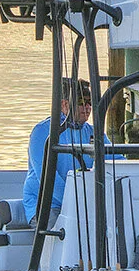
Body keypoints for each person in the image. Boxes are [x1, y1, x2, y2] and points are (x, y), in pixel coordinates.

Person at [23, 80, 104, 224]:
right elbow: (48, 178)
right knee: (67, 230)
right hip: (48, 206)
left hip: (83, 203)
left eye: (90, 102)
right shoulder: (42, 132)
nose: (87, 107)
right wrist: (74, 204)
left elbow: (116, 158)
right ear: (64, 105)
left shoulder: (93, 132)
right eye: (81, 102)